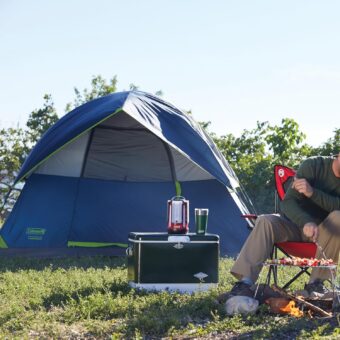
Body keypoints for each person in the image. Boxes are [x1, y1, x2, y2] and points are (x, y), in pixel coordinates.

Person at [228, 152, 340, 297]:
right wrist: (306, 221)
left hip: (325, 236)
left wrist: (312, 193)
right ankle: (245, 283)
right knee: (265, 220)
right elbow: (288, 202)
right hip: (293, 225)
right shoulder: (313, 166)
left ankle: (316, 284)